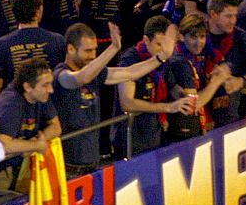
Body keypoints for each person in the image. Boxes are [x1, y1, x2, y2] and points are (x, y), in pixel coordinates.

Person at [53, 22, 179, 176]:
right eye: (87, 51)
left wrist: (161, 57)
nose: (93, 55)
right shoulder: (61, 74)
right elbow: (81, 78)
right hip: (67, 167)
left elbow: (130, 72)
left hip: (93, 162)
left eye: (94, 50)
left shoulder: (95, 72)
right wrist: (112, 48)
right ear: (71, 49)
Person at [112, 16, 196, 157]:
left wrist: (184, 98)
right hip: (131, 139)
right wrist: (167, 107)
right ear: (146, 40)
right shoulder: (130, 60)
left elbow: (171, 86)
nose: (163, 50)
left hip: (154, 134)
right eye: (158, 44)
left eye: (166, 45)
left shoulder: (164, 58)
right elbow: (127, 103)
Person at [0, 0, 66, 111]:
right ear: (39, 11)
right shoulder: (58, 41)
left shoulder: (2, 45)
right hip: (51, 111)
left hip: (15, 112)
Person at [0, 58, 61, 191]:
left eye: (50, 84)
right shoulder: (12, 103)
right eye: (45, 85)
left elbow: (56, 126)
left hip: (21, 165)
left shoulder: (41, 96)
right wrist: (37, 145)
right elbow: (4, 144)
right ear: (27, 87)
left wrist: (34, 142)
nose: (51, 90)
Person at [201, 0, 246, 127]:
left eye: (235, 16)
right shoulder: (197, 35)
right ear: (213, 14)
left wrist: (241, 81)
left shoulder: (240, 37)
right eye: (228, 16)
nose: (233, 21)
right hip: (199, 116)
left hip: (227, 119)